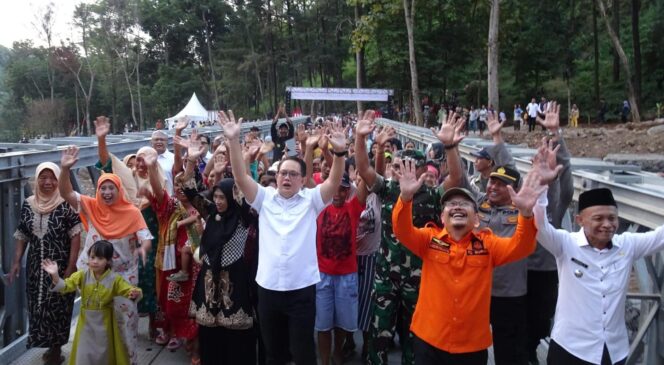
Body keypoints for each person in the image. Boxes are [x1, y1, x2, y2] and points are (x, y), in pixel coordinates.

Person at [219, 109, 348, 364]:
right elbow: (240, 176)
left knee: (302, 353)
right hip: (268, 290)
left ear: (303, 180)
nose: (287, 177)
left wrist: (341, 153)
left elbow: (333, 182)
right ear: (276, 178)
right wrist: (233, 141)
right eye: (283, 173)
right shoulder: (264, 198)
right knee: (273, 353)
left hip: (302, 291)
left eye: (293, 174)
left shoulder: (311, 200)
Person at [392, 156, 541, 364]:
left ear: (476, 218)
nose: (458, 207)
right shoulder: (429, 239)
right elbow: (402, 231)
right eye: (451, 204)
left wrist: (526, 214)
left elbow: (522, 247)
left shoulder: (489, 245)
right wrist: (405, 198)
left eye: (465, 204)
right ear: (442, 217)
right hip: (429, 341)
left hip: (472, 347)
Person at [355, 111, 444, 364]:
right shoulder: (388, 189)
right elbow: (363, 168)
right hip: (386, 275)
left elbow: (457, 180)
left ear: (420, 170)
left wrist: (450, 147)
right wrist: (362, 138)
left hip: (419, 279)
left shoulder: (433, 196)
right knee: (379, 334)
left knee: (414, 337)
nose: (402, 171)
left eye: (408, 166)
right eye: (398, 166)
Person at [59, 147, 152, 365]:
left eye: (111, 188)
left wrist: (143, 249)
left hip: (122, 277)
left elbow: (145, 237)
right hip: (93, 276)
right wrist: (64, 169)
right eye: (103, 189)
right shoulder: (91, 206)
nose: (107, 193)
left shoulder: (132, 212)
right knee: (94, 324)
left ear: (119, 190)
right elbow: (65, 192)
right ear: (98, 191)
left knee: (125, 325)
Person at [182, 135, 257, 365]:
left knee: (236, 338)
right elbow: (190, 192)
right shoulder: (211, 213)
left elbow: (244, 192)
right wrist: (192, 163)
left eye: (222, 197)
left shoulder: (244, 217)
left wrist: (240, 161)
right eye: (215, 196)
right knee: (210, 336)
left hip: (234, 280)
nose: (218, 201)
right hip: (208, 281)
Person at [9, 162, 82, 365]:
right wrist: (16, 261)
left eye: (52, 178)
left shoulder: (66, 203)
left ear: (58, 180)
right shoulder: (29, 203)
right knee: (38, 305)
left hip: (59, 265)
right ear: (37, 179)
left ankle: (56, 350)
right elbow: (22, 234)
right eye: (43, 177)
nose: (47, 182)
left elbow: (75, 236)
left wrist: (70, 266)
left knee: (59, 306)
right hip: (35, 266)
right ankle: (45, 343)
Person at [43, 240, 142, 365]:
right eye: (92, 257)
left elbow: (129, 290)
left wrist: (135, 292)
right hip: (86, 325)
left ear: (108, 260)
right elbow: (66, 286)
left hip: (105, 324)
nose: (95, 261)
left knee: (104, 354)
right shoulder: (82, 275)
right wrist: (55, 276)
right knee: (83, 354)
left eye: (100, 258)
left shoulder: (114, 279)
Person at [315, 174, 367, 365]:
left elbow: (367, 184)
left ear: (347, 191)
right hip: (322, 275)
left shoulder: (353, 208)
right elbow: (308, 180)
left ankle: (338, 353)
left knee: (342, 323)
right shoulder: (319, 207)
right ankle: (325, 361)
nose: (337, 193)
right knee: (323, 324)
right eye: (334, 188)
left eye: (342, 189)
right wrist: (308, 148)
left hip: (346, 276)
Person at [151, 130, 175, 194]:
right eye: (156, 139)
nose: (159, 142)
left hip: (170, 200)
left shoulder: (173, 159)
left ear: (167, 142)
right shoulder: (145, 158)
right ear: (151, 142)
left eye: (162, 140)